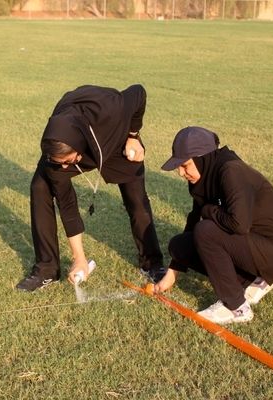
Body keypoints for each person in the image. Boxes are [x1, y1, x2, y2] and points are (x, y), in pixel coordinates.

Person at [16, 84, 166, 292]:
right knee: (39, 187)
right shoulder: (56, 152)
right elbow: (67, 204)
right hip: (72, 143)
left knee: (136, 198)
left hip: (115, 141)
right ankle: (47, 268)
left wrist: (133, 135)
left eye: (68, 162)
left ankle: (153, 263)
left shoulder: (112, 108)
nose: (65, 168)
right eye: (61, 164)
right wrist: (80, 259)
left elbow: (139, 92)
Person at [155, 126, 273, 324]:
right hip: (252, 244)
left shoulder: (231, 171)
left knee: (206, 231)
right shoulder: (202, 176)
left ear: (202, 158)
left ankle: (236, 307)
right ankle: (250, 279)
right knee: (179, 246)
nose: (181, 173)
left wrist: (208, 211)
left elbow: (238, 224)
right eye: (179, 167)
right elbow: (194, 217)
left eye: (185, 165)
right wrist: (172, 273)